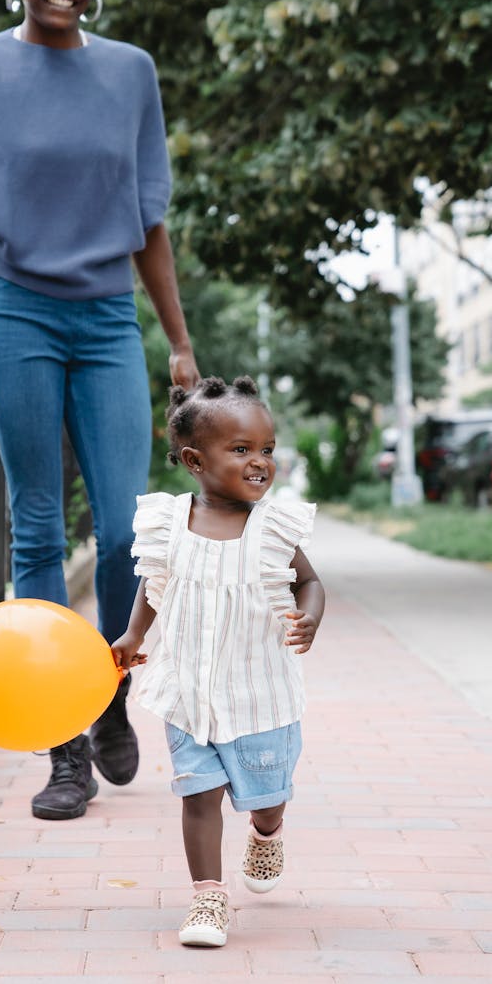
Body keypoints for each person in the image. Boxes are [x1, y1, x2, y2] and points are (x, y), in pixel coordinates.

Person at [0, 0, 199, 821]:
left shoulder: (131, 74)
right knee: (38, 529)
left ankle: (107, 694)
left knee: (123, 532)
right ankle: (62, 743)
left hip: (110, 318)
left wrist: (179, 343)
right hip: (16, 315)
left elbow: (147, 218)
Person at [111, 376, 325, 947]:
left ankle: (267, 829)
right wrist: (133, 635)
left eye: (267, 449)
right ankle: (208, 897)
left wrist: (309, 617)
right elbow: (153, 585)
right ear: (193, 460)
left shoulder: (274, 527)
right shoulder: (168, 524)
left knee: (266, 794)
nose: (259, 462)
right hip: (189, 691)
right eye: (241, 450)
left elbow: (309, 583)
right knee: (198, 794)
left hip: (260, 694)